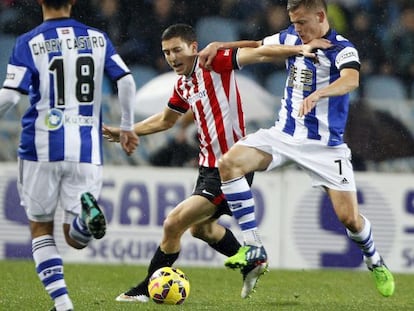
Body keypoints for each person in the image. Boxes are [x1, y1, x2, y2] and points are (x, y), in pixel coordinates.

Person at [103, 23, 328, 301]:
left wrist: (298, 49)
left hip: (231, 166)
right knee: (201, 229)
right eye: (166, 52)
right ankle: (250, 262)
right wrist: (128, 130)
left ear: (194, 48)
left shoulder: (214, 62)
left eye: (177, 50)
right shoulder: (184, 84)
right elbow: (165, 120)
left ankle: (147, 289)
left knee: (173, 224)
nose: (172, 57)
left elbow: (258, 54)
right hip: (207, 168)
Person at [198, 0, 395, 298]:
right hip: (283, 135)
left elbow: (351, 79)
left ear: (320, 16)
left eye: (303, 22)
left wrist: (320, 93)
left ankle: (374, 259)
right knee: (229, 164)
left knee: (349, 220)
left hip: (325, 148)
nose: (298, 29)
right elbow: (258, 44)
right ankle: (254, 247)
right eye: (294, 23)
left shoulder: (342, 48)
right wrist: (219, 44)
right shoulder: (292, 37)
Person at [0, 1, 138, 310]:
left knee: (40, 228)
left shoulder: (29, 41)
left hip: (40, 148)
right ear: (73, 1)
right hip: (86, 148)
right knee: (74, 236)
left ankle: (63, 305)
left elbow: (10, 95)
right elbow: (126, 80)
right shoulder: (98, 38)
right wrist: (127, 126)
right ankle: (84, 220)